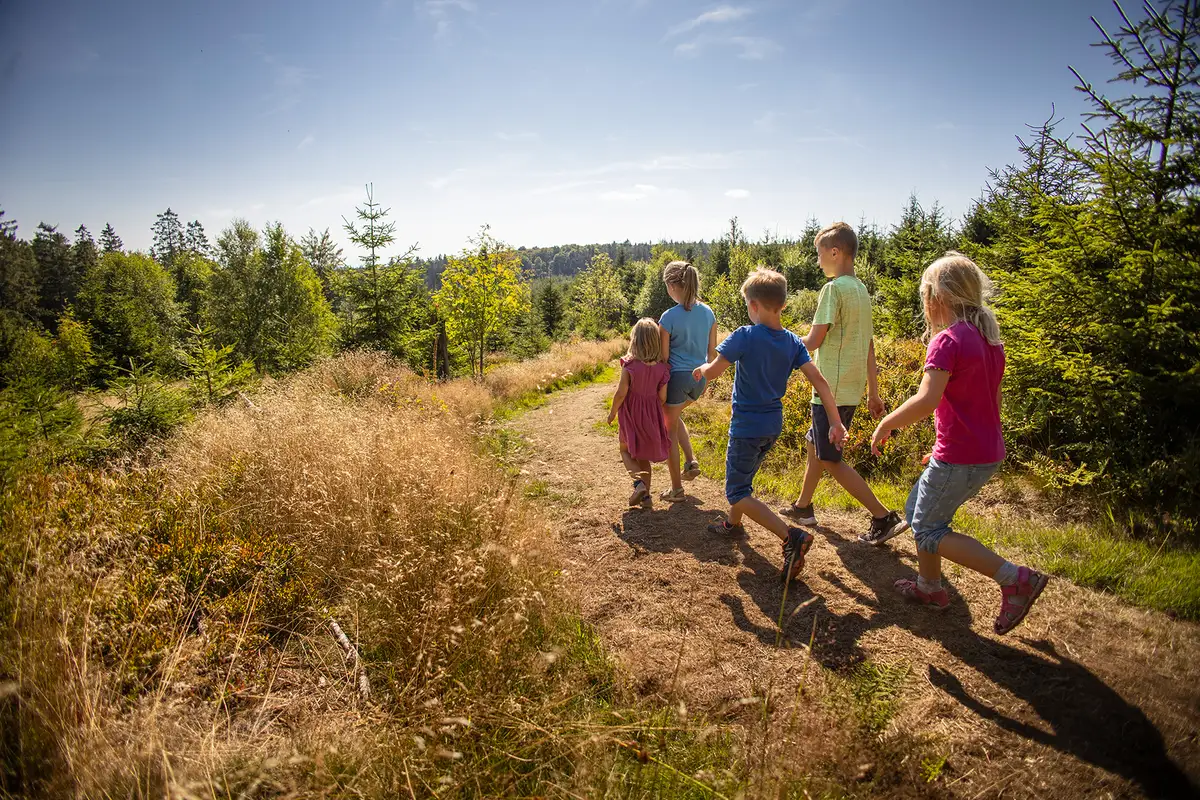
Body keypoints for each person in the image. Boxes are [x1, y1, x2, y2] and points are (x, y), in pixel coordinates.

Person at [870, 252, 1049, 635]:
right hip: (984, 452)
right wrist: (945, 447)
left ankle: (1014, 578)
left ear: (938, 297)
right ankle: (929, 588)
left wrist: (886, 422)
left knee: (929, 528)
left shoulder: (947, 341)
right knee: (918, 506)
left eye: (925, 294)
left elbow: (927, 400)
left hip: (961, 456)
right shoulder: (990, 342)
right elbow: (992, 403)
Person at [692, 268, 846, 583]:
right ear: (783, 305)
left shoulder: (744, 335)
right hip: (772, 426)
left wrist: (701, 370)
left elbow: (716, 370)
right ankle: (732, 526)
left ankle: (791, 537)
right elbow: (819, 380)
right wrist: (835, 421)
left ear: (753, 306)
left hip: (747, 426)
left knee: (736, 490)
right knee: (744, 480)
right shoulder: (792, 342)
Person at [782, 222, 909, 544]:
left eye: (820, 254)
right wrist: (873, 391)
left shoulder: (833, 289)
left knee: (829, 458)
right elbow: (868, 344)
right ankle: (803, 506)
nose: (818, 261)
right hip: (849, 388)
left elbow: (812, 341)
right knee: (816, 445)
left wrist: (774, 339)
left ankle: (882, 517)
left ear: (835, 252)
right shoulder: (861, 291)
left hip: (831, 389)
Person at [657, 261, 717, 503]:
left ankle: (676, 489)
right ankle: (691, 461)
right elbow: (712, 354)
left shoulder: (668, 317)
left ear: (673, 286)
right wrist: (706, 380)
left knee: (668, 429)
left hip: (676, 379)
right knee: (676, 416)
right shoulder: (708, 312)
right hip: (699, 379)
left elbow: (663, 358)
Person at [608, 318, 672, 508]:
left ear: (634, 340)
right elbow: (662, 397)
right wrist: (652, 409)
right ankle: (646, 498)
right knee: (643, 457)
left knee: (625, 450)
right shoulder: (662, 369)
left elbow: (621, 393)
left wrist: (612, 413)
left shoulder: (630, 366)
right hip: (651, 415)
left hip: (630, 414)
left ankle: (638, 485)